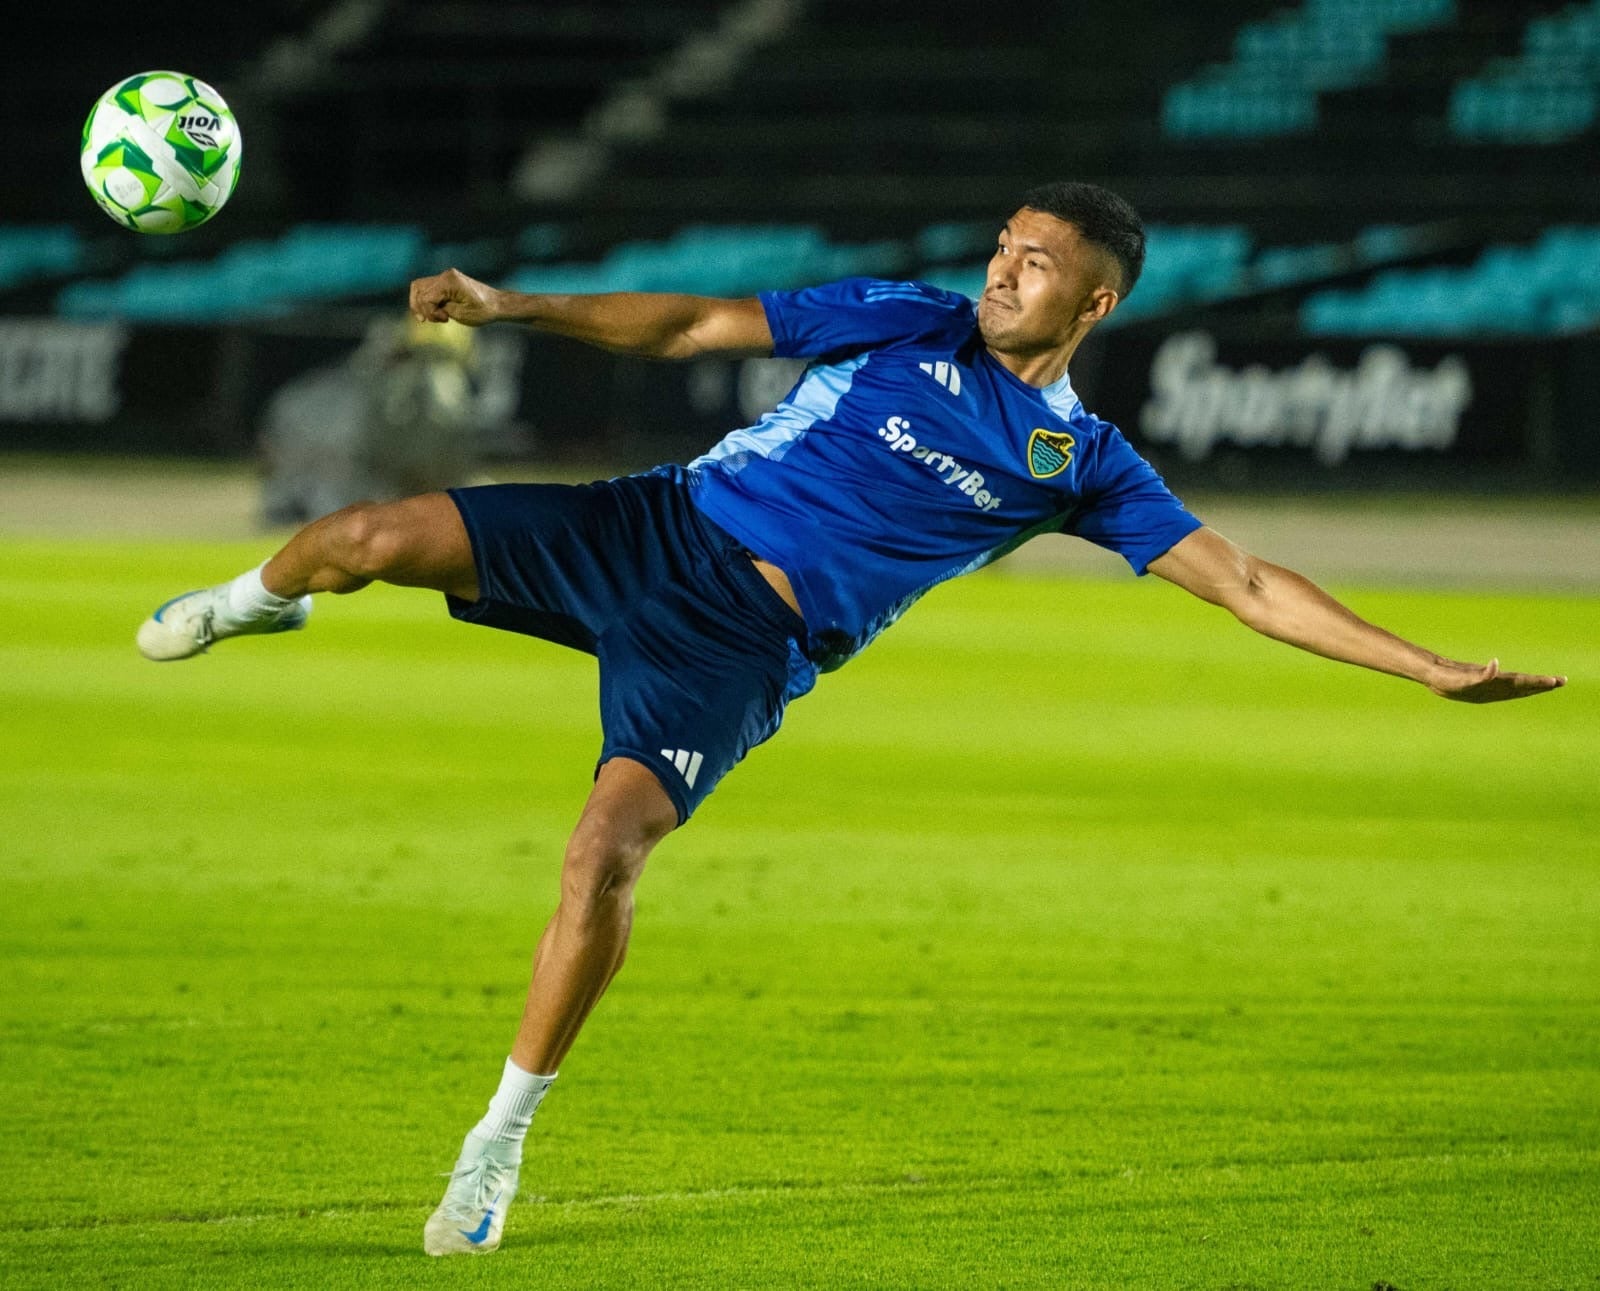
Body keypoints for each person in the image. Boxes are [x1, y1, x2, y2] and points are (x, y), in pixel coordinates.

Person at [133, 182, 1566, 1256]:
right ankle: (262, 599)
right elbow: (694, 323)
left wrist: (1423, 666)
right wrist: (512, 306)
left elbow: (1246, 582)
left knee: (602, 860)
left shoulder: (1080, 460)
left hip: (739, 644)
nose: (1000, 270)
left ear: (1094, 303)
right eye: (1002, 247)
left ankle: (496, 1144)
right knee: (357, 538)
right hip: (651, 526)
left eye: (1035, 263)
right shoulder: (906, 318)